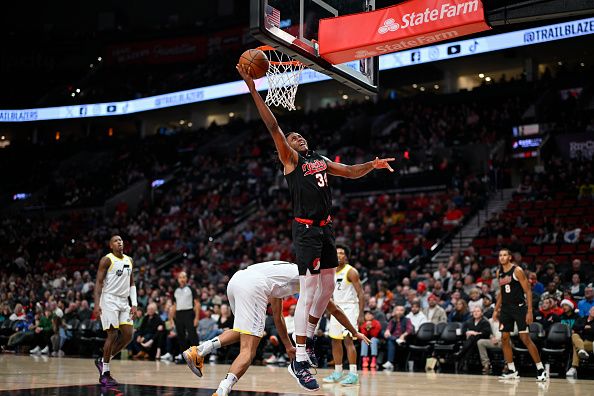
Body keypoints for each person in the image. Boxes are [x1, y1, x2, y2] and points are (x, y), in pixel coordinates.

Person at [236, 63, 394, 391]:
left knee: (328, 289)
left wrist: (373, 165)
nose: (299, 138)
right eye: (294, 137)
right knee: (308, 290)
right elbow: (273, 125)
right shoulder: (290, 161)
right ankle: (301, 354)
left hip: (325, 228)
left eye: (300, 135)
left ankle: (307, 332)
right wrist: (253, 87)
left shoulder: (319, 160)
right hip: (306, 229)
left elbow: (350, 172)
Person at [181, 261, 369, 396]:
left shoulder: (286, 272)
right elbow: (334, 309)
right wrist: (354, 332)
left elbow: (278, 317)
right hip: (254, 286)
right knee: (248, 350)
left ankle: (199, 350)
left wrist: (288, 346)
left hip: (237, 280)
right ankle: (223, 390)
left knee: (242, 330)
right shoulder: (314, 280)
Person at [493, 249, 547, 381]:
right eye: (500, 255)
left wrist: (529, 311)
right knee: (504, 338)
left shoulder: (517, 271)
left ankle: (540, 369)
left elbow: (528, 291)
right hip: (505, 309)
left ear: (510, 257)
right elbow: (501, 292)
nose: (502, 257)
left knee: (525, 338)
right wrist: (496, 309)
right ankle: (512, 370)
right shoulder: (499, 272)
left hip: (519, 308)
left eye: (505, 255)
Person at [93, 235, 137, 386]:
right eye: (116, 241)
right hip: (109, 299)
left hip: (124, 301)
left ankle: (103, 360)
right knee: (112, 334)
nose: (120, 242)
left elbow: (132, 282)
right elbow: (98, 282)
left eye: (121, 240)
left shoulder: (129, 260)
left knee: (128, 334)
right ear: (110, 245)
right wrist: (96, 303)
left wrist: (134, 303)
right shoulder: (107, 260)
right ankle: (105, 374)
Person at [323, 245, 365, 386]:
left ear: (346, 256)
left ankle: (353, 374)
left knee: (348, 340)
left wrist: (361, 313)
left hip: (350, 307)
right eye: (336, 253)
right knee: (335, 340)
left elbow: (361, 293)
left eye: (341, 253)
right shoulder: (331, 271)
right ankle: (338, 372)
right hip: (336, 308)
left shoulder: (351, 271)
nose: (339, 255)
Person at [173, 271, 200, 362]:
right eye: (180, 277)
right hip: (178, 314)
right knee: (181, 335)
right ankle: (183, 356)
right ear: (178, 279)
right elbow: (174, 305)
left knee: (192, 335)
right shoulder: (175, 290)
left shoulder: (191, 289)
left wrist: (196, 317)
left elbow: (197, 304)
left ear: (186, 279)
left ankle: (196, 355)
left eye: (184, 277)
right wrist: (171, 318)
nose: (182, 279)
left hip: (189, 313)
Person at [382, 305, 413, 371]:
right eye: (398, 310)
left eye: (401, 310)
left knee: (390, 341)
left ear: (404, 312)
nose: (399, 312)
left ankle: (390, 362)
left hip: (402, 339)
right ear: (395, 311)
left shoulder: (407, 320)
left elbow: (410, 329)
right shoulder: (392, 320)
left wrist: (403, 335)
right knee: (384, 334)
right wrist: (387, 331)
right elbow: (388, 329)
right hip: (394, 338)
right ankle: (396, 340)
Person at [566, 306, 594, 378]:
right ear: (589, 311)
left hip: (590, 342)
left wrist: (581, 328)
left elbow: (592, 330)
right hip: (580, 340)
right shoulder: (582, 319)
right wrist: (585, 327)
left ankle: (573, 368)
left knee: (576, 346)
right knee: (574, 335)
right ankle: (581, 350)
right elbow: (574, 327)